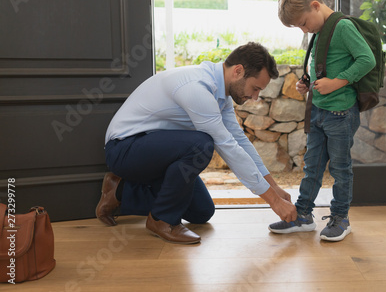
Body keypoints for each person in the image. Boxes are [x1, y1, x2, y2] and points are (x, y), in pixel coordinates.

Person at [96, 42, 297, 244]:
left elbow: (239, 140)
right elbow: (227, 147)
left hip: (155, 153)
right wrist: (273, 202)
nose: (255, 97)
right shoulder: (197, 87)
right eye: (255, 88)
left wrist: (275, 188)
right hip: (124, 149)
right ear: (238, 71)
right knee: (201, 144)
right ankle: (162, 220)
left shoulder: (221, 94)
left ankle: (120, 191)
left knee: (202, 211)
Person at [268, 0, 375, 241]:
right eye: (300, 28)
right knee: (312, 166)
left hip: (341, 113)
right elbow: (325, 65)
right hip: (318, 111)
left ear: (315, 6)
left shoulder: (343, 27)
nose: (305, 30)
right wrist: (308, 81)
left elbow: (366, 59)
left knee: (340, 168)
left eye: (304, 23)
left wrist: (337, 82)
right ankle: (303, 215)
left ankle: (341, 218)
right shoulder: (321, 30)